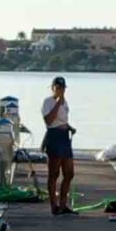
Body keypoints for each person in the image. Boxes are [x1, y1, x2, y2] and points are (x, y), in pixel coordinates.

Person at [41, 76, 76, 214]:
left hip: (64, 136)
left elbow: (62, 120)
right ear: (53, 88)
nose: (61, 90)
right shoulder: (48, 102)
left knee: (69, 173)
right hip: (53, 136)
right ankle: (53, 206)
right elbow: (49, 121)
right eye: (58, 88)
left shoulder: (65, 102)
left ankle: (63, 204)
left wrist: (70, 127)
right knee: (54, 173)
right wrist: (57, 102)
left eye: (63, 88)